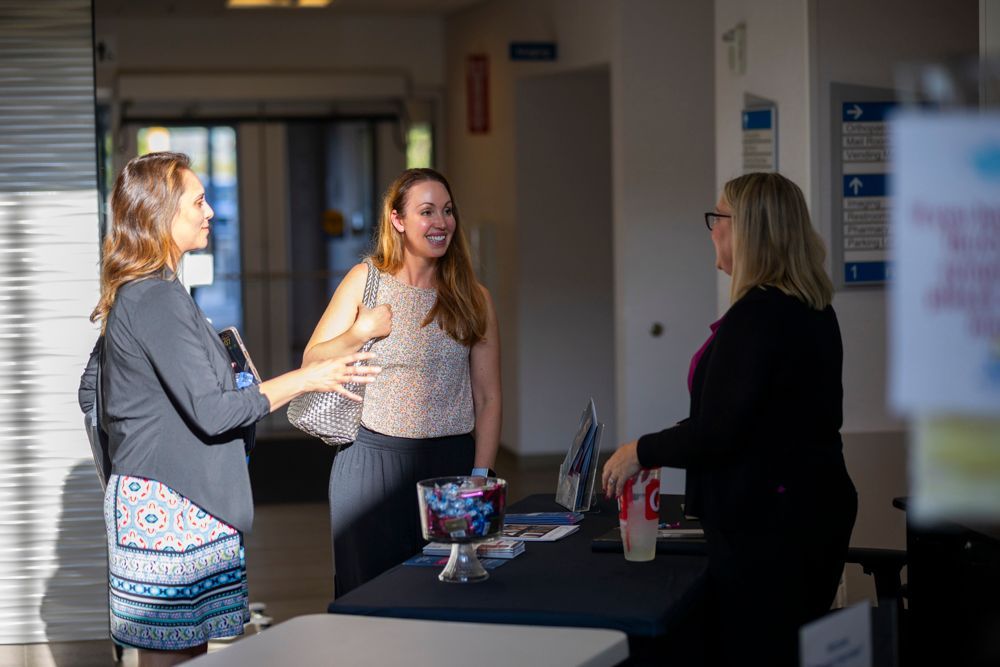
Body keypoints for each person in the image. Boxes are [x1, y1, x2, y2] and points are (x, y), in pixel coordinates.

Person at [78, 151, 380, 667]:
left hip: (170, 498)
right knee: (172, 656)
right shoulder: (154, 296)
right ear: (160, 215)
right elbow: (214, 413)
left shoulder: (152, 291)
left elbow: (93, 392)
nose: (211, 210)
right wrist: (308, 377)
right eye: (198, 200)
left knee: (183, 652)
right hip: (168, 508)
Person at [601, 172, 857, 667]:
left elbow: (720, 433)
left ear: (750, 230)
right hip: (808, 511)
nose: (712, 229)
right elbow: (748, 416)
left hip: (773, 527)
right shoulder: (810, 307)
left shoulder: (759, 316)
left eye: (719, 217)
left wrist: (641, 451)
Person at [303, 167, 501, 595]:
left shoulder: (474, 298)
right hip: (371, 464)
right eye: (426, 211)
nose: (441, 222)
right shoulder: (365, 280)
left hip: (451, 467)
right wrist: (360, 331)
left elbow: (488, 398)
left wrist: (480, 476)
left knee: (448, 599)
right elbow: (312, 359)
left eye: (447, 211)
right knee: (368, 599)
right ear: (397, 219)